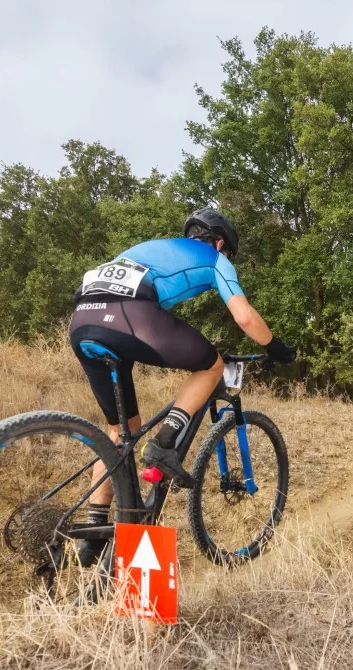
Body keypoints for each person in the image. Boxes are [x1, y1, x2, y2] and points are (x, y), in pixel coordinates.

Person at [69, 208, 296, 534]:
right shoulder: (215, 258)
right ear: (220, 243)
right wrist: (275, 346)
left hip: (83, 321)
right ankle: (164, 445)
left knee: (121, 435)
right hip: (128, 315)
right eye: (228, 252)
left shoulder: (151, 248)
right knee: (211, 365)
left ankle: (93, 532)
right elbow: (244, 317)